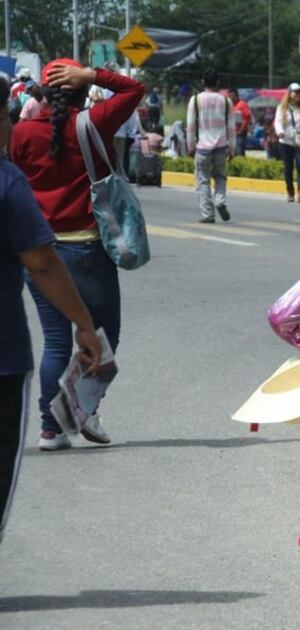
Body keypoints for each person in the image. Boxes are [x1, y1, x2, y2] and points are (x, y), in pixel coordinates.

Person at [10, 58, 144, 451]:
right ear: (84, 91)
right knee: (102, 338)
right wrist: (93, 74)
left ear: (42, 93)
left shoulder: (20, 132)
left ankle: (50, 429)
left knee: (55, 341)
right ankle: (83, 410)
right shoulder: (93, 122)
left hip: (40, 255)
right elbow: (134, 89)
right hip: (87, 249)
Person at [0, 76, 104, 543]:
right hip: (3, 358)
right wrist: (86, 324)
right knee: (61, 339)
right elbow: (41, 263)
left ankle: (51, 427)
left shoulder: (23, 142)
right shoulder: (7, 182)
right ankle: (56, 422)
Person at [186, 68, 235, 223]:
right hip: (221, 146)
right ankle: (220, 200)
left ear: (202, 82)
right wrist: (232, 149)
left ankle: (208, 213)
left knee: (203, 180)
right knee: (220, 177)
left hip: (202, 147)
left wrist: (190, 146)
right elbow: (231, 128)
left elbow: (191, 126)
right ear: (218, 82)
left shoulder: (195, 100)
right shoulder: (226, 101)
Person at [274, 82, 300, 203]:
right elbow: (278, 122)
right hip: (286, 141)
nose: (298, 95)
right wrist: (280, 132)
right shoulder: (282, 107)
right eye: (295, 92)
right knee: (288, 168)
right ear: (289, 93)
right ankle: (290, 192)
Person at [228, 89, 252, 158]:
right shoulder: (229, 105)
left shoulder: (242, 104)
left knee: (239, 152)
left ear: (237, 96)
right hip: (231, 133)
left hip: (240, 133)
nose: (231, 98)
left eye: (232, 96)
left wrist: (241, 130)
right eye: (229, 96)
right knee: (232, 153)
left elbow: (247, 118)